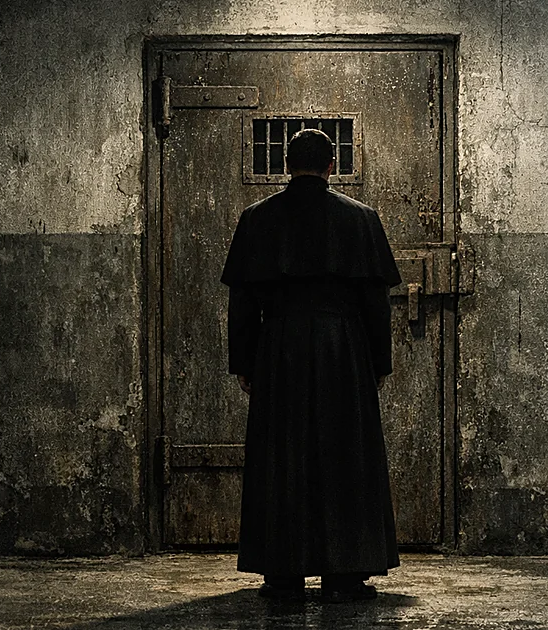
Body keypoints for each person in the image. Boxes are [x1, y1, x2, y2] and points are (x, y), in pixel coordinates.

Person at [220, 128, 401, 603]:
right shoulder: (361, 219)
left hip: (279, 348)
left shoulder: (257, 219)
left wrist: (244, 362)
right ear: (332, 166)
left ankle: (283, 575)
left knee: (281, 456)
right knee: (346, 455)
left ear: (286, 164)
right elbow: (376, 301)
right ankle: (346, 574)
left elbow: (242, 302)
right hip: (344, 349)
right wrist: (378, 362)